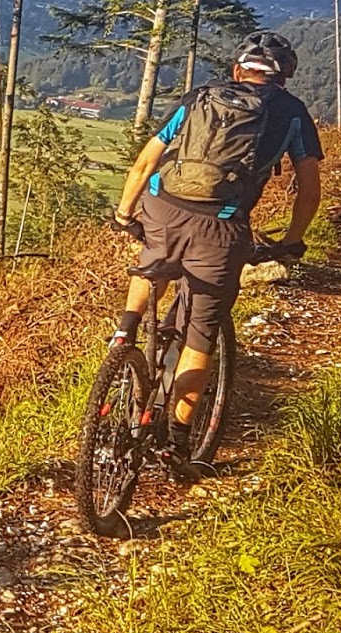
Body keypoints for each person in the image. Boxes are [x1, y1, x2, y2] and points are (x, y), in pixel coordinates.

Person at [109, 30, 324, 476]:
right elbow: (308, 187)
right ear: (285, 77)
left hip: (162, 207)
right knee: (200, 336)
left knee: (154, 260)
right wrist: (291, 241)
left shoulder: (199, 98)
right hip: (221, 226)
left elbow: (145, 163)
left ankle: (124, 336)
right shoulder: (293, 113)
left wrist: (125, 211)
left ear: (236, 70)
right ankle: (176, 445)